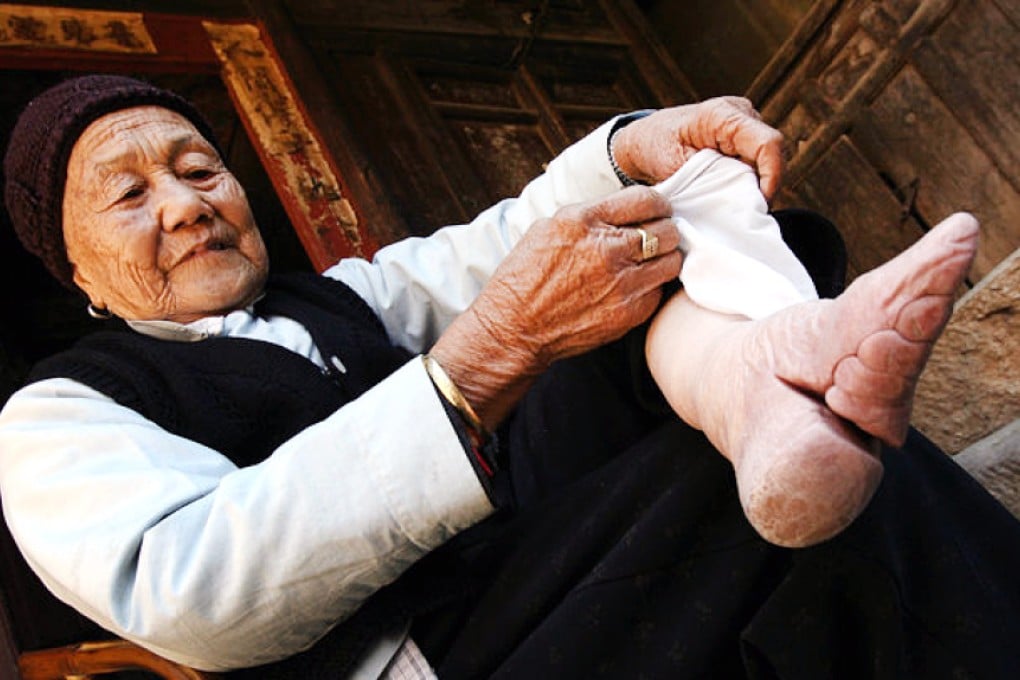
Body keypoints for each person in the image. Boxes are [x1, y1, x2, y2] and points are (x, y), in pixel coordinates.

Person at [0, 75, 1016, 679]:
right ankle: (772, 412)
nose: (185, 203)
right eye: (128, 194)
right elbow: (189, 584)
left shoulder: (339, 297)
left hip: (519, 560)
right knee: (751, 491)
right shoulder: (59, 414)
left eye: (197, 167)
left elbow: (504, 246)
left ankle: (756, 383)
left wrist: (629, 149)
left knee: (622, 253)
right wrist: (475, 363)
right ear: (80, 271)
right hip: (421, 653)